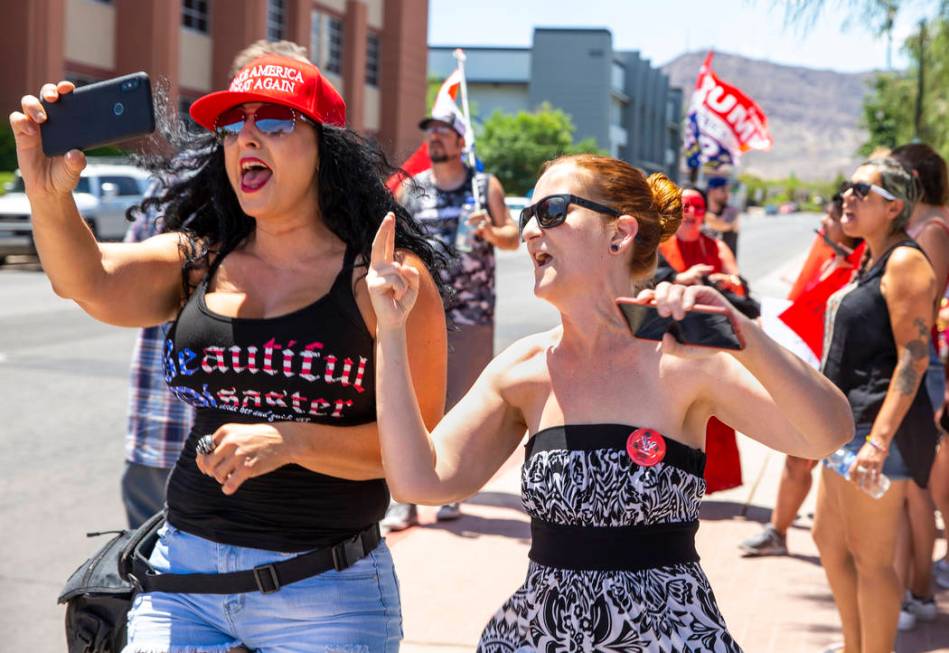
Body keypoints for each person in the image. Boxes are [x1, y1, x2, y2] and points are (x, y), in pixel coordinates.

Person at [12, 41, 449, 652]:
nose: (246, 137)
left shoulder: (384, 279)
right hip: (182, 581)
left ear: (326, 146)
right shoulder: (201, 259)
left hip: (324, 592)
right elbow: (88, 281)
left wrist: (292, 440)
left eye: (272, 121)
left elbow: (416, 459)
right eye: (231, 125)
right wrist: (47, 192)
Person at [367, 153, 853, 650]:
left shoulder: (685, 359)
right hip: (540, 637)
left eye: (552, 211)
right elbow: (418, 480)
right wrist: (390, 331)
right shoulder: (523, 369)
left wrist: (743, 332)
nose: (532, 231)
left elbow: (827, 434)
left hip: (670, 638)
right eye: (527, 217)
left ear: (619, 234)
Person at [813, 157, 939, 653]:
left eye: (861, 190)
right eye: (846, 187)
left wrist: (879, 442)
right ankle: (853, 645)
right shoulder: (870, 259)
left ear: (893, 207)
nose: (847, 196)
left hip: (874, 432)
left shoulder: (906, 261)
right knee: (828, 540)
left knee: (873, 560)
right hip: (844, 429)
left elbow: (914, 358)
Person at [383, 109, 520, 531]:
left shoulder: (484, 187)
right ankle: (404, 499)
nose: (436, 140)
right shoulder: (412, 187)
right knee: (415, 402)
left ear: (462, 142)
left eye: (444, 133)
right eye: (431, 134)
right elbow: (394, 238)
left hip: (473, 309)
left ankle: (451, 492)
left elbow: (512, 238)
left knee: (463, 405)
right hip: (420, 309)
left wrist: (490, 233)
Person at [740, 193, 863, 557]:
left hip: (845, 381)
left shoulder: (860, 270)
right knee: (798, 457)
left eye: (830, 220)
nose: (823, 226)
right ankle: (778, 531)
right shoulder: (827, 257)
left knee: (834, 466)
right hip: (814, 372)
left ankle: (857, 546)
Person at [890, 142, 949, 629]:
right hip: (912, 366)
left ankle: (919, 593)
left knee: (916, 490)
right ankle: (914, 593)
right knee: (909, 488)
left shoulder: (932, 231)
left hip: (919, 368)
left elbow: (921, 314)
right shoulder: (924, 228)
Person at [656, 186, 745, 494]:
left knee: (709, 415)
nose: (690, 213)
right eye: (684, 207)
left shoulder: (717, 247)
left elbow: (740, 287)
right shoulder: (660, 247)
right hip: (668, 347)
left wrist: (725, 283)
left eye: (696, 207)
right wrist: (680, 279)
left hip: (707, 347)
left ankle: (704, 482)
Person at [121, 190, 194, 528]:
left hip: (157, 431)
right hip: (226, 446)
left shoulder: (166, 184)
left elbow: (123, 286)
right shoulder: (275, 178)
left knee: (150, 572)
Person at [704, 175, 741, 257]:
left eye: (728, 190)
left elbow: (722, 224)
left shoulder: (732, 211)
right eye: (723, 190)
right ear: (711, 191)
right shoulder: (700, 211)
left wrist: (699, 214)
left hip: (725, 266)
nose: (727, 194)